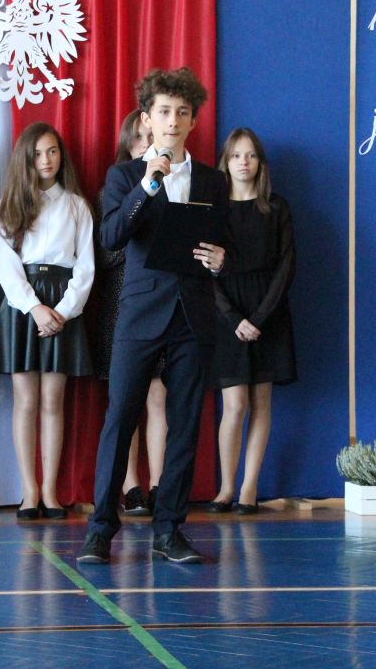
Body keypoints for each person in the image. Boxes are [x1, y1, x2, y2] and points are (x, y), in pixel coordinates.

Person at [80, 67, 228, 564]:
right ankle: (101, 529)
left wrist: (222, 260)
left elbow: (224, 244)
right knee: (120, 420)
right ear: (147, 118)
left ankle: (169, 530)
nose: (173, 121)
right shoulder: (124, 176)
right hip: (140, 313)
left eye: (182, 113)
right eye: (164, 112)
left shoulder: (212, 180)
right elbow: (110, 238)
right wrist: (146, 186)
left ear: (193, 121)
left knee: (185, 426)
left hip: (194, 315)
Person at [0, 122, 95, 520]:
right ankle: (29, 491)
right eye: (37, 154)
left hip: (64, 306)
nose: (46, 160)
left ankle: (50, 491)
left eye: (52, 151)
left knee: (53, 400)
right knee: (26, 401)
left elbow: (86, 268)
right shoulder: (10, 206)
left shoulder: (77, 206)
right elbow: (7, 268)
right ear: (25, 159)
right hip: (24, 307)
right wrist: (34, 307)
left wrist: (62, 312)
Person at [208, 127, 297, 515]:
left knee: (261, 401)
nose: (243, 162)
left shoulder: (276, 207)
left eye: (251, 155)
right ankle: (226, 488)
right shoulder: (213, 211)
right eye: (236, 155)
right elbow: (205, 273)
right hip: (227, 315)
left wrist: (260, 317)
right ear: (225, 162)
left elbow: (286, 267)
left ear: (260, 163)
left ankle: (249, 487)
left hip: (269, 313)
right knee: (235, 405)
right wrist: (234, 319)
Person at [94, 110, 167, 517]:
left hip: (158, 299)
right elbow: (107, 252)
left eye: (149, 138)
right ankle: (130, 485)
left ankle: (158, 483)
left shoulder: (171, 187)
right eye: (138, 139)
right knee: (125, 400)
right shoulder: (115, 186)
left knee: (158, 394)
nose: (145, 146)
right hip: (119, 304)